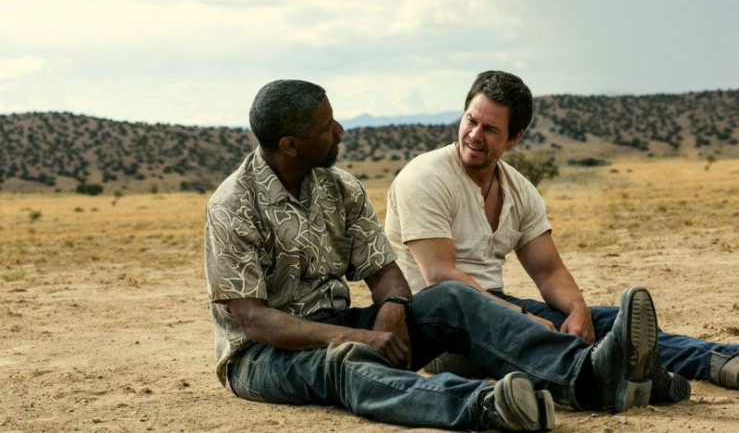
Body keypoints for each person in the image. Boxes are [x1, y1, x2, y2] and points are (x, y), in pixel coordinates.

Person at [204, 79, 676, 431]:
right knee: (345, 360)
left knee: (452, 298)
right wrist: (358, 336)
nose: (340, 130)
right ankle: (486, 406)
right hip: (263, 357)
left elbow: (384, 270)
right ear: (290, 145)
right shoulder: (233, 205)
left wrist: (392, 306)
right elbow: (254, 320)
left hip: (344, 324)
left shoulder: (339, 187)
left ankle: (586, 375)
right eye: (326, 127)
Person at [385, 70, 739, 399]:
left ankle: (720, 361)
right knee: (547, 332)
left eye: (490, 129)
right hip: (440, 329)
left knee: (607, 322)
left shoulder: (518, 190)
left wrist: (578, 310)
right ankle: (614, 377)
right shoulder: (426, 176)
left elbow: (549, 271)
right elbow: (440, 276)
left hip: (498, 306)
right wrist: (522, 317)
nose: (475, 135)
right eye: (471, 121)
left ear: (514, 138)